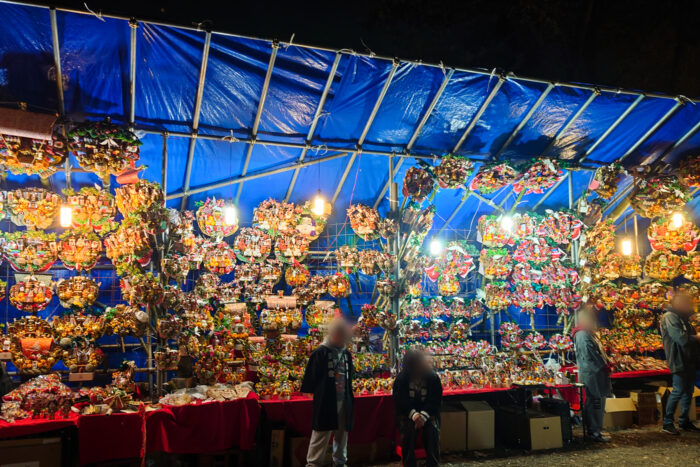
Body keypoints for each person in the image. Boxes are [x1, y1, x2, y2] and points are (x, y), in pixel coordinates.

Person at [301, 318, 354, 467]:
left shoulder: (346, 353)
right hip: (326, 400)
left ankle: (340, 463)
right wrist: (315, 395)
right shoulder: (320, 353)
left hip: (344, 400)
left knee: (342, 435)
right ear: (334, 334)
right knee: (321, 434)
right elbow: (311, 378)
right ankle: (313, 464)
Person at [393, 349, 443, 467]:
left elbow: (435, 401)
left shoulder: (433, 377)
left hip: (428, 414)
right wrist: (415, 415)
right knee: (408, 430)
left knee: (432, 431)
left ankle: (433, 463)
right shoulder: (401, 379)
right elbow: (400, 401)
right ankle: (409, 463)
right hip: (408, 414)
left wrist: (423, 416)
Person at [660, 290, 700, 434]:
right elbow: (680, 339)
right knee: (678, 390)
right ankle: (667, 423)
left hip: (689, 359)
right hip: (678, 359)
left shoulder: (683, 318)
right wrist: (696, 337)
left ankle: (684, 421)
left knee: (688, 391)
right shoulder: (669, 317)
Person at [572, 305, 611, 442]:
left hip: (595, 373)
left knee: (596, 403)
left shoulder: (587, 333)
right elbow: (590, 355)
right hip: (592, 374)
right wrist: (605, 364)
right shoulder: (582, 334)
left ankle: (595, 430)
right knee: (595, 403)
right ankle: (594, 432)